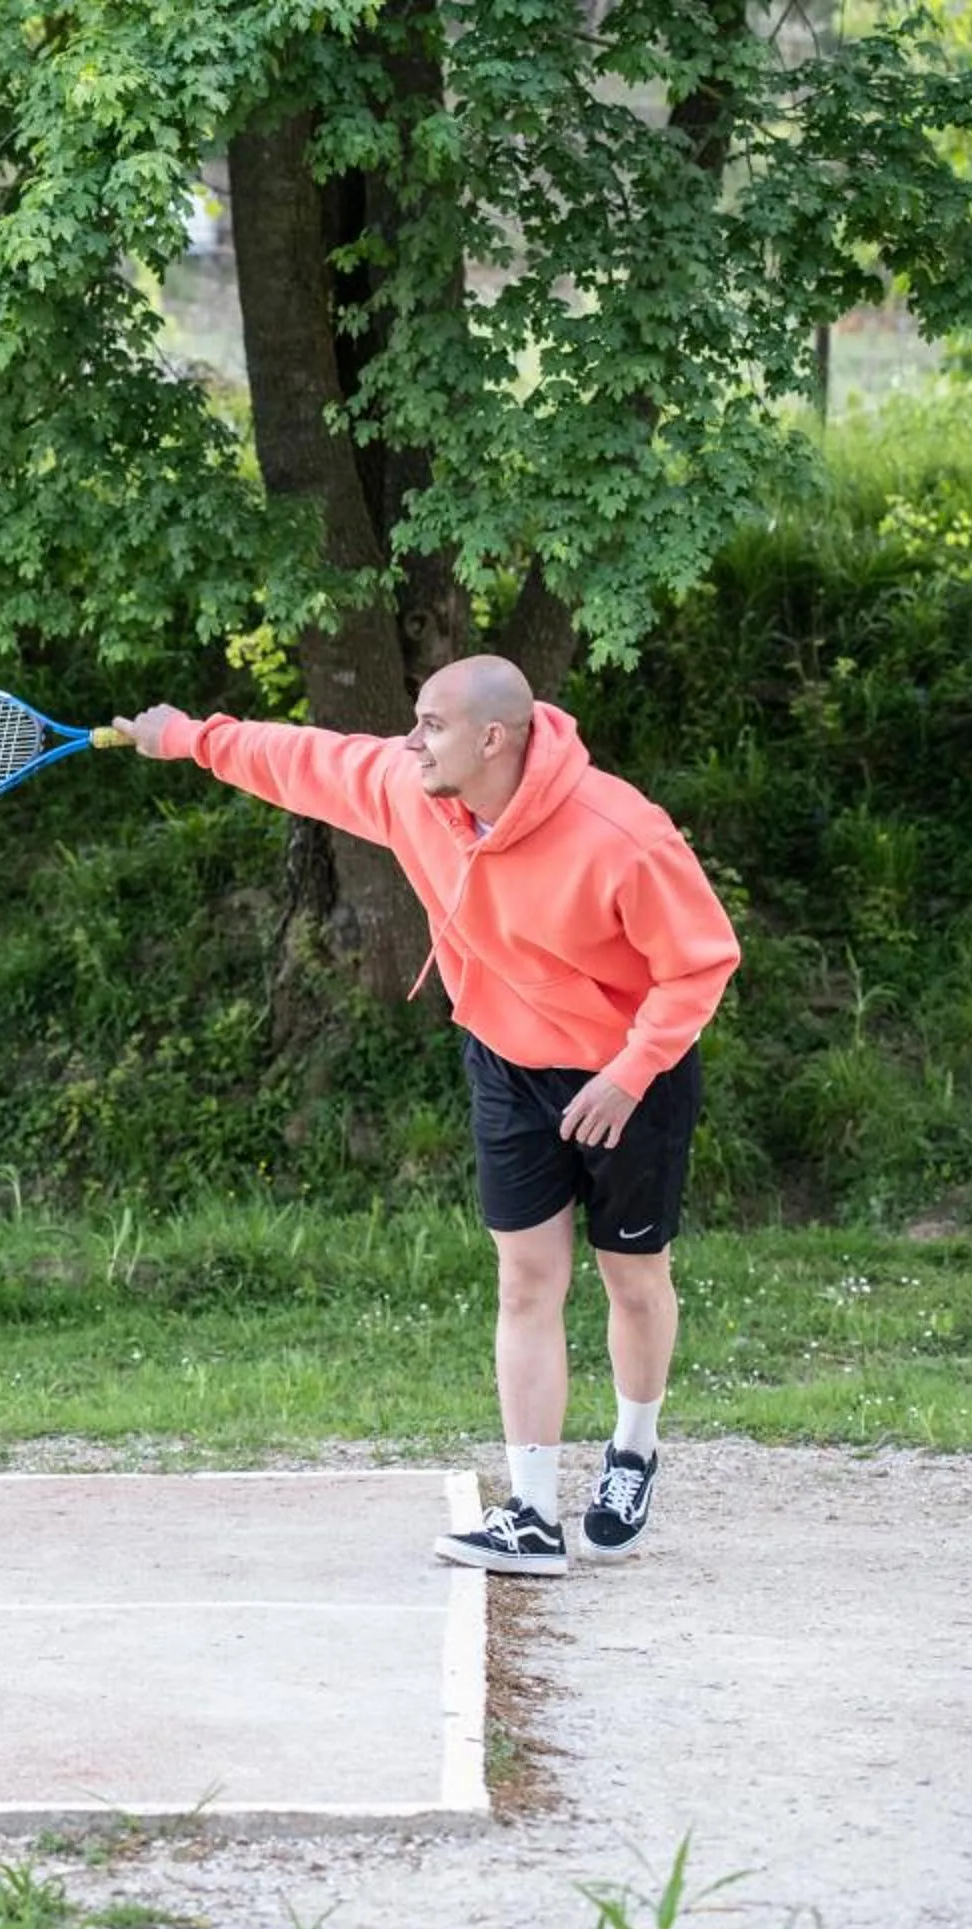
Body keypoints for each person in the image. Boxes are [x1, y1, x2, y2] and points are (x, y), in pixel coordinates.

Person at [120, 655, 740, 1576]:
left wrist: (631, 1071)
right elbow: (306, 759)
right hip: (506, 1059)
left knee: (632, 1277)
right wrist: (188, 738)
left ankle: (634, 1450)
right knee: (527, 1280)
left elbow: (702, 962)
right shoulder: (415, 792)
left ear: (493, 737)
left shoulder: (621, 834)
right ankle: (530, 1512)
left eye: (431, 725)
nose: (409, 742)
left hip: (626, 1073)